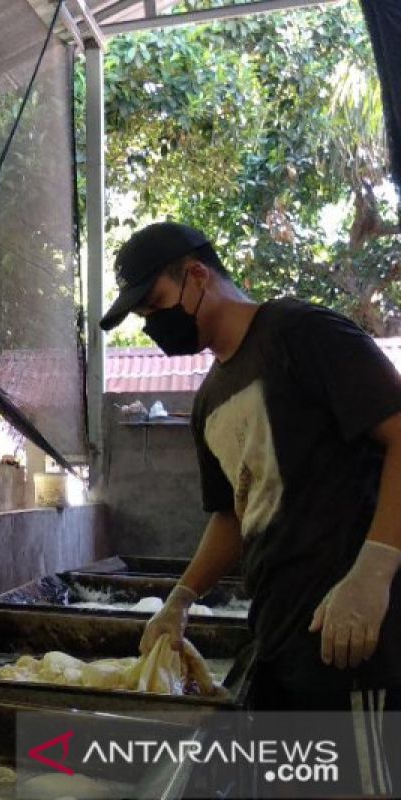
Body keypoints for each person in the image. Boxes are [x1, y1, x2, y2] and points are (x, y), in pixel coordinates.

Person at [100, 220, 400, 792]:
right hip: (282, 640)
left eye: (157, 304)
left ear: (197, 276)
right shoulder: (209, 398)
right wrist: (181, 599)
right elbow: (233, 516)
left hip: (360, 642)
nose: (154, 325)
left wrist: (374, 570)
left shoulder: (301, 333)